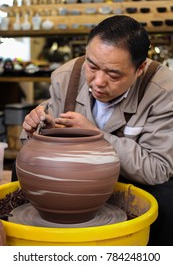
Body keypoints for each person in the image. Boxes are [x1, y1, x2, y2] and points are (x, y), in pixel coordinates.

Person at [20, 15, 173, 245]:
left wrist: (97, 135)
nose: (98, 81)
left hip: (132, 178)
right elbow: (33, 142)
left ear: (139, 68)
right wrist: (37, 130)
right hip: (73, 172)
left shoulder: (164, 90)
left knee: (167, 199)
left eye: (113, 74)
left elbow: (158, 169)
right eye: (92, 66)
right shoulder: (66, 76)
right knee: (20, 171)